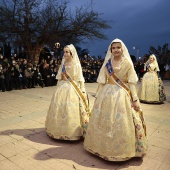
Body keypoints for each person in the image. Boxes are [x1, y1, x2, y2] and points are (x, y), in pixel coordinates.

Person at [84, 38, 147, 161]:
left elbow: (132, 83)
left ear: (122, 49)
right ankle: (100, 147)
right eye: (113, 48)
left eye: (118, 47)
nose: (116, 49)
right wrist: (98, 96)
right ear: (110, 50)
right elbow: (102, 82)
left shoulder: (128, 64)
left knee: (121, 122)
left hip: (122, 95)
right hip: (106, 94)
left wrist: (135, 99)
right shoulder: (107, 63)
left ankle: (121, 150)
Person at [45, 44, 89, 140]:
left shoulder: (76, 64)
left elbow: (79, 79)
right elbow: (60, 76)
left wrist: (82, 92)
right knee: (59, 107)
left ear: (71, 53)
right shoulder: (63, 63)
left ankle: (71, 132)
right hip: (62, 87)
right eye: (64, 52)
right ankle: (57, 130)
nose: (65, 54)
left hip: (72, 88)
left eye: (67, 52)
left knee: (71, 109)